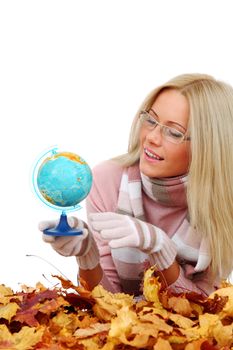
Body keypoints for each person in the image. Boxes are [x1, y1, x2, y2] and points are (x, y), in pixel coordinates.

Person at [39, 73, 233, 297]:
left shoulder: (224, 202)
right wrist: (87, 257)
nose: (152, 137)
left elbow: (206, 311)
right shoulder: (106, 181)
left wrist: (160, 249)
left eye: (174, 132)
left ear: (208, 147)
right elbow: (109, 305)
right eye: (150, 120)